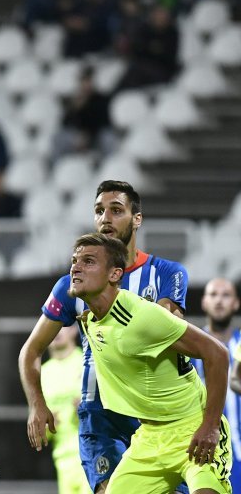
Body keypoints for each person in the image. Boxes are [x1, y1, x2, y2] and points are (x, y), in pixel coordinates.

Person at [18, 179, 189, 493]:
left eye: (116, 210)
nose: (105, 218)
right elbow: (30, 351)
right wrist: (36, 404)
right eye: (99, 211)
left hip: (154, 415)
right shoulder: (72, 285)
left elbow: (164, 331)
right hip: (100, 416)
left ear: (136, 219)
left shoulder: (166, 273)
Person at [69, 233, 231, 492]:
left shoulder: (141, 316)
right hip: (149, 437)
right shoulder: (91, 320)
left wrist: (210, 427)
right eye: (74, 261)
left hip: (193, 429)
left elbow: (218, 354)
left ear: (115, 274)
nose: (76, 267)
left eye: (88, 261)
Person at [195, 278, 241, 492]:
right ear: (204, 302)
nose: (219, 301)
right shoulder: (189, 347)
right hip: (202, 455)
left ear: (236, 303)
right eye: (213, 295)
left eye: (226, 295)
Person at [40, 325, 90, 494]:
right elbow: (41, 434)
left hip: (91, 453)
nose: (56, 332)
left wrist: (87, 410)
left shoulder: (88, 363)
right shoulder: (42, 373)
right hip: (62, 459)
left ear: (73, 330)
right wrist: (47, 426)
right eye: (51, 327)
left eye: (61, 326)